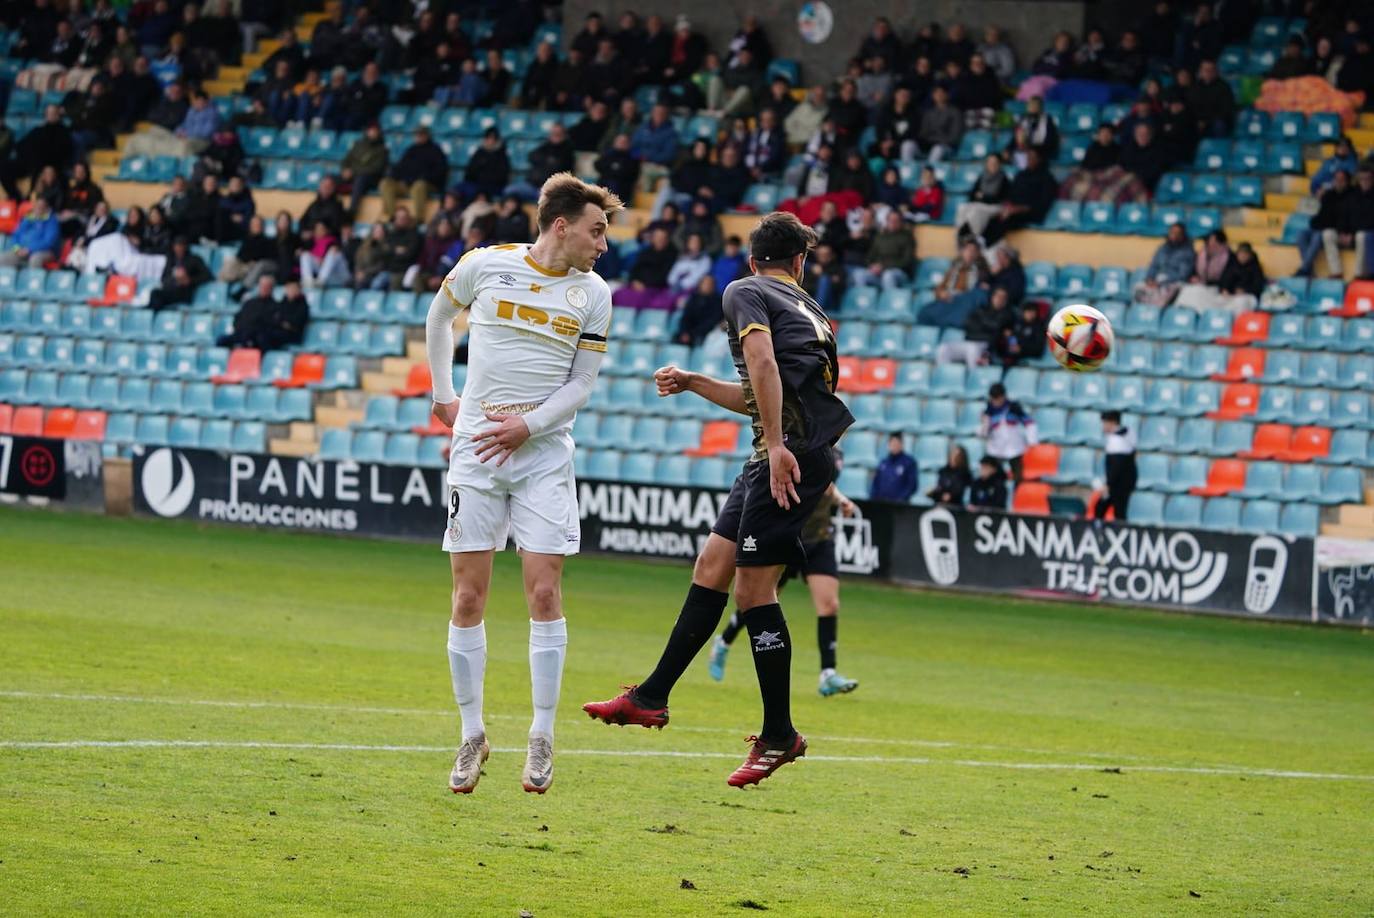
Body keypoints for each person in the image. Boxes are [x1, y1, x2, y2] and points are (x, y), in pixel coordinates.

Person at [583, 212, 854, 788]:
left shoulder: (744, 290)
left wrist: (779, 445)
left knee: (754, 592)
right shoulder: (813, 312)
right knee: (712, 566)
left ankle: (780, 734)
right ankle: (652, 695)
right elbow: (766, 390)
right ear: (799, 263)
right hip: (777, 456)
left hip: (786, 458)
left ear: (754, 260)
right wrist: (696, 382)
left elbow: (762, 367)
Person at [426, 173, 623, 796]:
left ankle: (541, 735)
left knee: (543, 593)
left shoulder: (594, 294)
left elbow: (581, 385)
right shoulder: (485, 266)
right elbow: (438, 319)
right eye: (597, 230)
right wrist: (444, 396)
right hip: (475, 453)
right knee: (467, 599)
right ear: (560, 225)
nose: (603, 244)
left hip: (542, 457)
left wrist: (527, 427)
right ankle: (472, 734)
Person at [708, 448, 859, 697]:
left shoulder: (833, 452)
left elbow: (825, 484)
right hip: (789, 533)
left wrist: (840, 500)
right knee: (760, 598)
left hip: (819, 537)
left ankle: (828, 674)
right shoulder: (794, 441)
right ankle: (723, 642)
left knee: (829, 605)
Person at [982, 147, 1057, 245]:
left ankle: (987, 245)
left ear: (1040, 159)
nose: (1029, 160)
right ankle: (981, 243)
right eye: (1028, 157)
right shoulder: (1021, 175)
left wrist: (1019, 209)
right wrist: (1007, 206)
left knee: (1005, 220)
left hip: (1029, 213)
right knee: (993, 217)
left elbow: (1042, 204)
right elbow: (1010, 194)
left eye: (1032, 157)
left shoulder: (1047, 179)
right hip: (1012, 210)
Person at [379, 126, 447, 220]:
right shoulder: (411, 149)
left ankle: (418, 219)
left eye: (421, 134)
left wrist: (424, 178)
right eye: (416, 134)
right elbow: (400, 167)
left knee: (418, 186)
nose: (418, 137)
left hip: (426, 185)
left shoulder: (436, 151)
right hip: (407, 184)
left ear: (427, 135)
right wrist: (393, 176)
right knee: (385, 183)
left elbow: (440, 172)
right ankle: (393, 216)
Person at [981, 383, 1037, 483]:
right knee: (995, 478)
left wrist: (1031, 441)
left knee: (1018, 478)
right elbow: (985, 433)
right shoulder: (988, 412)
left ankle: (1017, 496)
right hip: (996, 449)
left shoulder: (1014, 408)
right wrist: (984, 424)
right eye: (993, 399)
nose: (996, 402)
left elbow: (1029, 423)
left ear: (1003, 396)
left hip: (1014, 449)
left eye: (998, 398)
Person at [855, 210, 915, 289]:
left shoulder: (907, 237)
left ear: (901, 222)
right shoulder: (880, 236)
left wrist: (884, 267)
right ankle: (864, 300)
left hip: (899, 273)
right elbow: (870, 256)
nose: (893, 222)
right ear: (886, 221)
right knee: (859, 274)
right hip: (879, 272)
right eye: (890, 220)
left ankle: (889, 300)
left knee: (888, 275)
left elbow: (907, 261)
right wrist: (872, 266)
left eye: (896, 220)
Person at [1095, 411, 1138, 522]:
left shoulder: (1116, 441)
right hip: (1128, 480)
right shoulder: (1129, 432)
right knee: (1110, 509)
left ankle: (1101, 533)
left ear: (1112, 422)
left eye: (1105, 423)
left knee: (1114, 511)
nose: (1103, 426)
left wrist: (1108, 484)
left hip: (1119, 484)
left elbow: (1116, 466)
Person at [148, 236, 211, 311]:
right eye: (177, 246)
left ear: (185, 247)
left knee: (156, 296)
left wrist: (190, 280)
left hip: (184, 292)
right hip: (170, 290)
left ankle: (154, 313)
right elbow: (163, 278)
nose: (178, 248)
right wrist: (172, 279)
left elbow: (208, 275)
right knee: (155, 293)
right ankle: (154, 315)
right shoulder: (171, 260)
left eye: (181, 246)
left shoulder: (194, 259)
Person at [340, 122, 388, 216]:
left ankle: (352, 211)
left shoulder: (382, 149)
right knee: (329, 180)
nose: (372, 133)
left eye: (375, 131)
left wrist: (353, 172)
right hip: (352, 175)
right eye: (371, 130)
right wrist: (344, 170)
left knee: (361, 179)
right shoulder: (358, 144)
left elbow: (376, 168)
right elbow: (346, 160)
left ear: (379, 133)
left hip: (370, 179)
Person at [0, 198, 61, 267]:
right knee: (2, 258)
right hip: (21, 250)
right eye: (37, 206)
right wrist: (17, 249)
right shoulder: (28, 217)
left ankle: (34, 277)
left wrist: (30, 249)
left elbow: (48, 242)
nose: (38, 209)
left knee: (35, 259)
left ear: (47, 209)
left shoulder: (51, 221)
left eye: (41, 207)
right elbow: (16, 235)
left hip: (45, 251)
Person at [995, 300, 1048, 366]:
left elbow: (1038, 348)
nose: (1030, 314)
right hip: (1011, 354)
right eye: (1028, 311)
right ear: (1023, 312)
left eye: (1033, 311)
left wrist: (1022, 349)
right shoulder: (1016, 324)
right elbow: (1011, 338)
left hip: (1027, 356)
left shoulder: (1039, 327)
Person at [870, 432, 918, 502]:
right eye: (892, 443)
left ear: (901, 444)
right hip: (881, 504)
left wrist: (901, 499)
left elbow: (912, 486)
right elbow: (875, 483)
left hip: (899, 506)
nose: (894, 446)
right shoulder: (883, 463)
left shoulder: (909, 463)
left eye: (896, 443)